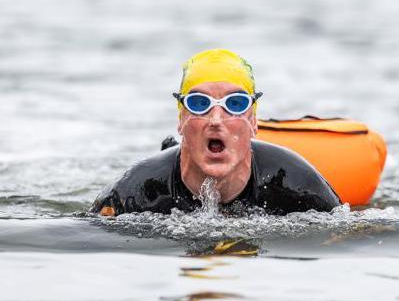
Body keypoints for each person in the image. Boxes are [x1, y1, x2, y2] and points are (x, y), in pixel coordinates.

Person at [91, 49, 340, 216]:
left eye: (235, 104)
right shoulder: (137, 190)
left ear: (253, 121)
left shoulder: (295, 182)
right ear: (181, 119)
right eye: (199, 104)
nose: (216, 119)